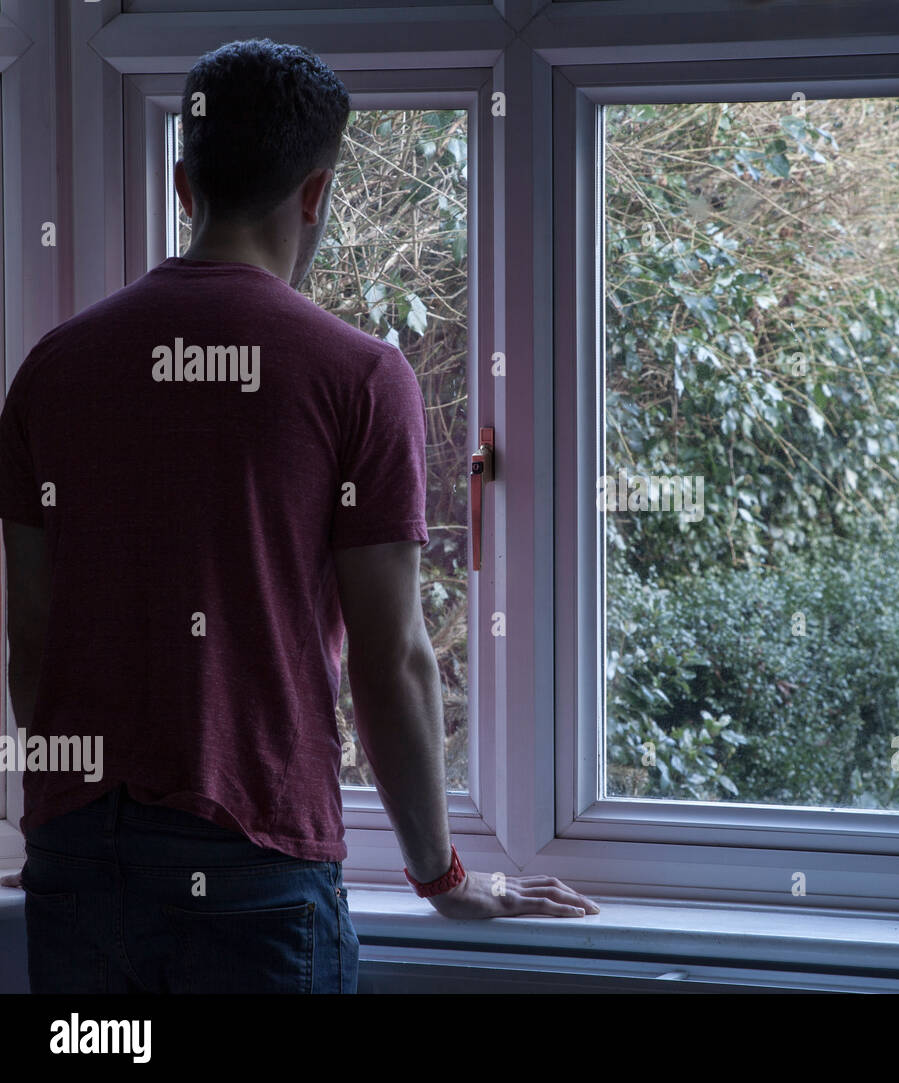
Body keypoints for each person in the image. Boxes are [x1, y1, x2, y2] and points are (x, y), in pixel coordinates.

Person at [0, 38, 597, 995]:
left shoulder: (53, 371)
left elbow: (31, 640)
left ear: (184, 182)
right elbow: (391, 655)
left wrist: (78, 813)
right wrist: (442, 875)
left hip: (77, 865)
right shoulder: (357, 375)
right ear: (316, 192)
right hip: (254, 862)